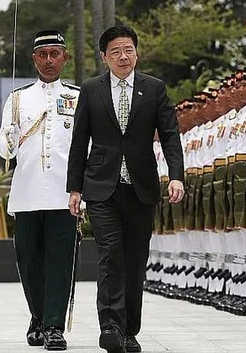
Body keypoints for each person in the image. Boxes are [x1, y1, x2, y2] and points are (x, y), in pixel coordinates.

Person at [66, 24, 185, 353]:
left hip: (141, 188)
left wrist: (176, 175)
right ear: (104, 57)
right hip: (101, 187)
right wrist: (74, 188)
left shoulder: (154, 89)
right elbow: (79, 141)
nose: (123, 56)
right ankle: (111, 327)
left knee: (134, 260)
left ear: (137, 52)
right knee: (110, 256)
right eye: (115, 51)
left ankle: (130, 329)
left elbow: (171, 135)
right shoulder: (91, 90)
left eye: (128, 50)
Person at [0, 30, 80, 351]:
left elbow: (84, 146)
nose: (49, 60)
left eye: (54, 53)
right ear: (34, 58)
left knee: (60, 260)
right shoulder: (18, 98)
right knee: (29, 260)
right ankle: (38, 316)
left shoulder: (77, 96)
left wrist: (81, 189)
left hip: (64, 193)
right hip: (27, 193)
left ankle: (54, 327)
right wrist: (8, 137)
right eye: (43, 54)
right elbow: (5, 149)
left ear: (65, 57)